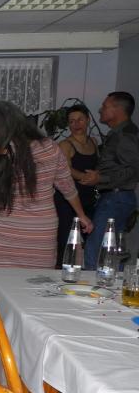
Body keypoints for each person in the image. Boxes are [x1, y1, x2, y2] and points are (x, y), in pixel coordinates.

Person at [0, 101, 93, 377]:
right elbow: (67, 187)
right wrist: (82, 216)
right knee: (35, 298)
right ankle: (30, 360)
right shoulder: (50, 148)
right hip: (40, 236)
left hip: (1, 238)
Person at [80, 92, 139, 269]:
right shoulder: (119, 133)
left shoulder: (125, 135)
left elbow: (134, 170)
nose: (100, 109)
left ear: (118, 110)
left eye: (105, 106)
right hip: (115, 198)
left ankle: (92, 287)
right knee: (110, 253)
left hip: (116, 199)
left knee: (96, 252)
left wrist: (101, 178)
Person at [54, 104, 99, 267]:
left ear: (88, 120)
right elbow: (65, 170)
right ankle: (59, 273)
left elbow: (97, 166)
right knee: (65, 243)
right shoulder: (65, 144)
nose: (76, 124)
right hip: (67, 201)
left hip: (88, 199)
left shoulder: (93, 141)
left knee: (87, 241)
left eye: (80, 120)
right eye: (71, 121)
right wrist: (87, 177)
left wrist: (97, 176)